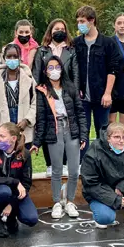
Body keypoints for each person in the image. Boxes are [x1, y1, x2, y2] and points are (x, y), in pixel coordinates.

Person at [32, 56, 87, 220]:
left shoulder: (71, 87)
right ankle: (57, 201)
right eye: (50, 67)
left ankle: (70, 201)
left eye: (57, 67)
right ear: (45, 71)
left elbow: (80, 113)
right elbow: (41, 118)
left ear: (62, 69)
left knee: (74, 170)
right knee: (56, 169)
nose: (54, 70)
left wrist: (83, 135)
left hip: (72, 130)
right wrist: (37, 142)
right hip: (54, 131)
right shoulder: (42, 90)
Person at [32, 18, 79, 175]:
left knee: (65, 128)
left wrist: (74, 92)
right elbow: (36, 73)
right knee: (49, 127)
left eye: (62, 29)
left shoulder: (71, 51)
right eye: (56, 29)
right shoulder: (42, 51)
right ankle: (49, 164)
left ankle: (64, 163)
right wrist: (38, 91)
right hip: (47, 93)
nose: (59, 31)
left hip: (65, 93)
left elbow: (75, 73)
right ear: (50, 31)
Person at [73, 5, 122, 156]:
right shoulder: (76, 43)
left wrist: (107, 93)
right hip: (82, 98)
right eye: (78, 21)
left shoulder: (108, 43)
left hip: (101, 96)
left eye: (82, 21)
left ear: (92, 20)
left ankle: (103, 161)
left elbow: (112, 69)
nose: (79, 24)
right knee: (83, 132)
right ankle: (84, 163)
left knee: (103, 132)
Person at [0, 122, 37, 237]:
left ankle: (11, 217)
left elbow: (26, 182)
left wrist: (11, 204)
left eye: (2, 136)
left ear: (13, 139)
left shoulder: (25, 154)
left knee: (31, 218)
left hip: (16, 193)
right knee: (3, 192)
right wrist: (14, 182)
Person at [0, 43, 36, 144]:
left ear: (20, 58)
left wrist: (27, 120)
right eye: (9, 56)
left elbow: (35, 102)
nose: (12, 59)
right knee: (5, 152)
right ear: (4, 58)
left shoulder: (28, 78)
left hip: (23, 124)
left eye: (15, 56)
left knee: (22, 152)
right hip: (2, 123)